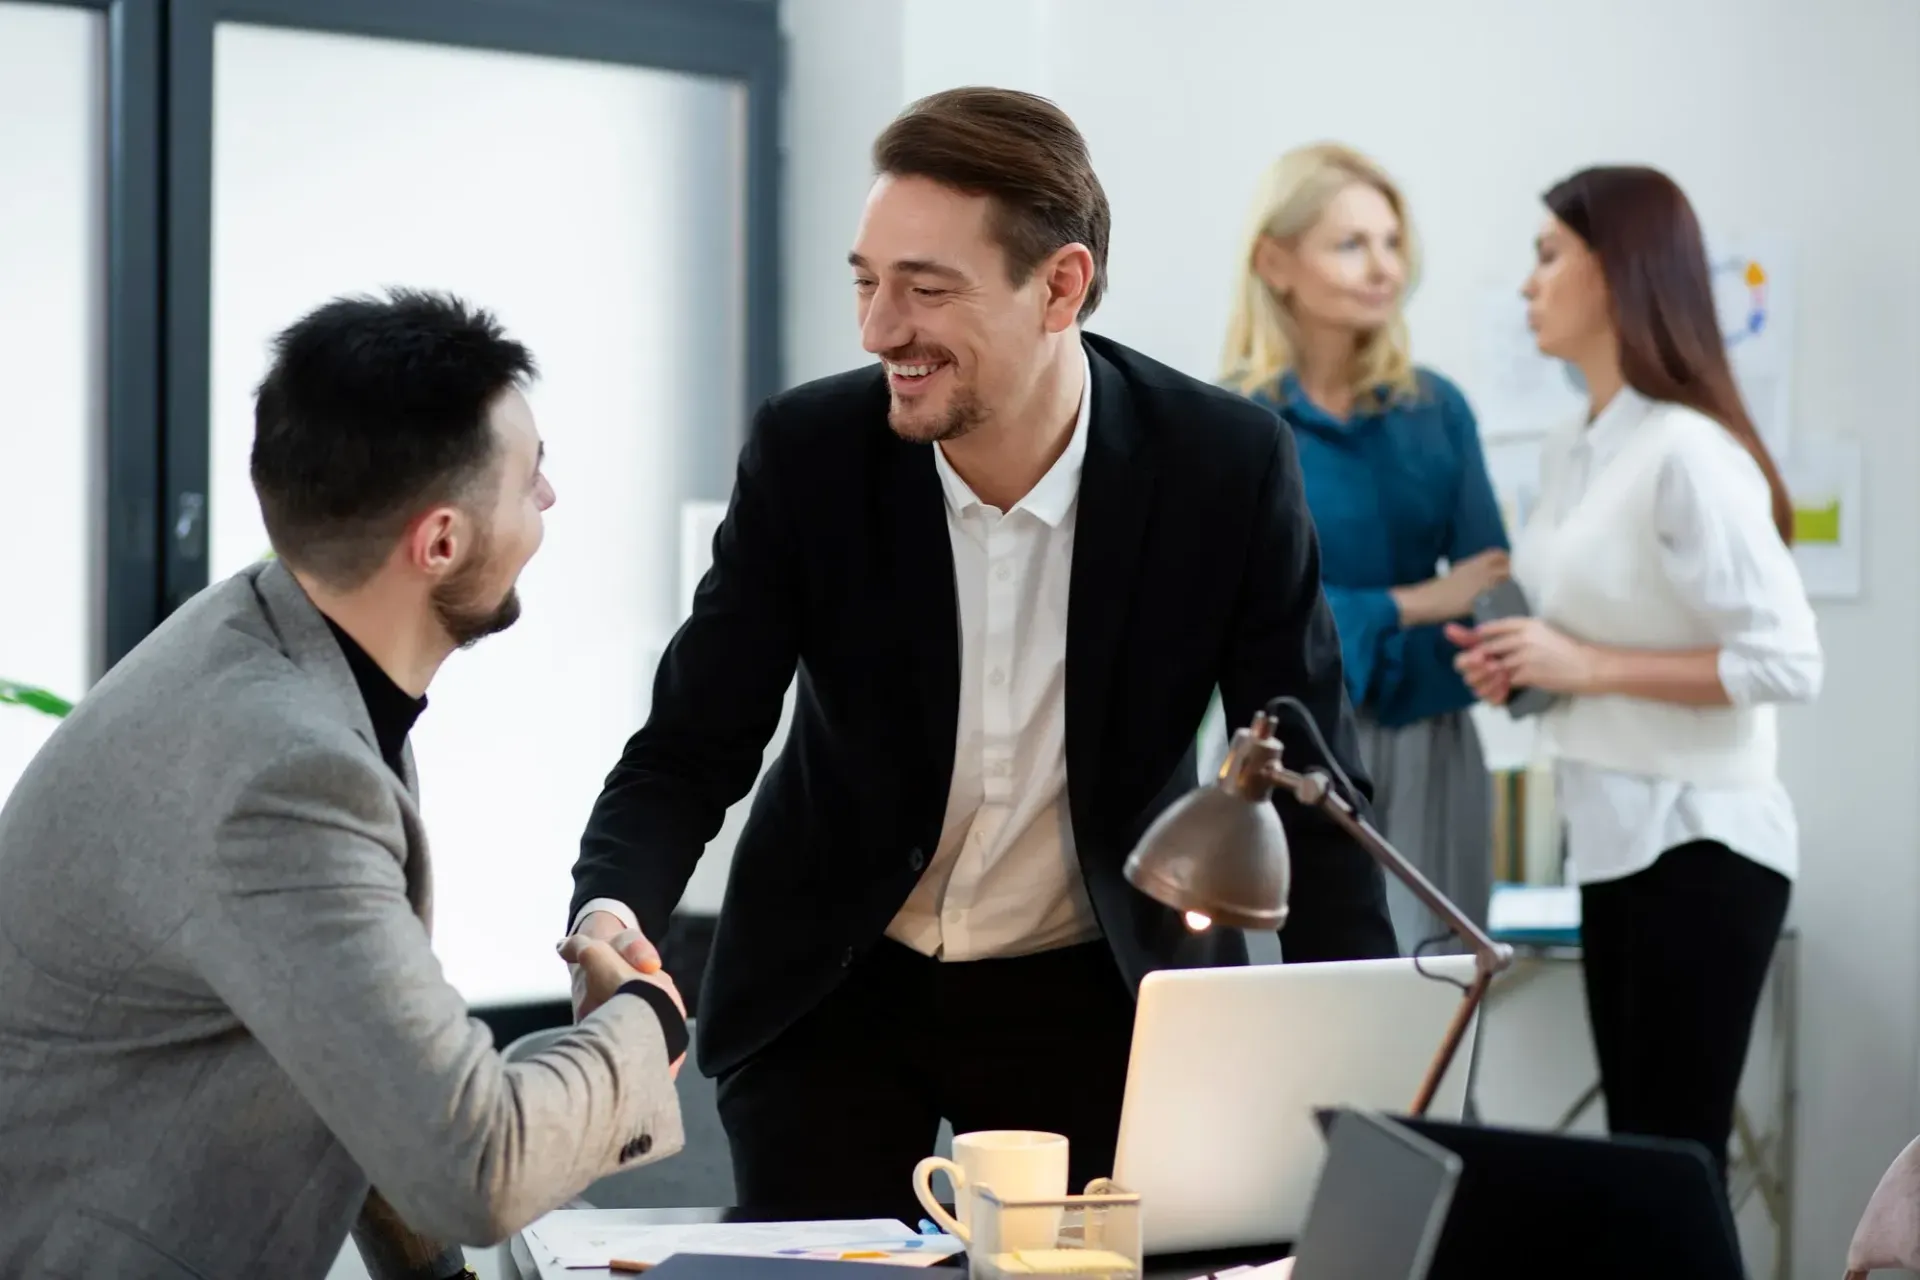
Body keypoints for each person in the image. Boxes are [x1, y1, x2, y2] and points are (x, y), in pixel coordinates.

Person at [565, 86, 1397, 1211]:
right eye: (866, 280)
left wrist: (1354, 1092)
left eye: (925, 288)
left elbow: (1313, 785)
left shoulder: (1223, 467)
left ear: (1062, 286)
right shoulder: (810, 455)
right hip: (835, 985)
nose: (877, 329)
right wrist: (610, 910)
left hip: (1098, 987)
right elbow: (690, 745)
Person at [0, 291, 688, 1279]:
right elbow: (475, 1163)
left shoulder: (281, 645)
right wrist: (647, 1020)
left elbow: (355, 1068)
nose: (548, 502)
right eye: (530, 477)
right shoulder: (281, 773)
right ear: (441, 541)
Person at [1448, 167, 1820, 1182]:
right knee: (1645, 1160)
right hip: (1610, 843)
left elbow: (1788, 658)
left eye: (1547, 256)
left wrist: (1586, 662)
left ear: (1616, 274)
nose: (1527, 284)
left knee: (1674, 1166)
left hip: (1700, 846)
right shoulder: (1576, 445)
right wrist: (1530, 667)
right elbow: (1595, 632)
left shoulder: (1689, 451)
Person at [1221, 142, 1508, 951]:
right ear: (1275, 262)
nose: (1383, 266)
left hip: (1433, 744)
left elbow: (1490, 585)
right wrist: (1411, 603)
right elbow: (1244, 620)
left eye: (1391, 242)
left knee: (1440, 990)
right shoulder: (1235, 425)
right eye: (1351, 244)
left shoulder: (1437, 409)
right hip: (1282, 751)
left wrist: (1505, 636)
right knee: (1287, 1004)